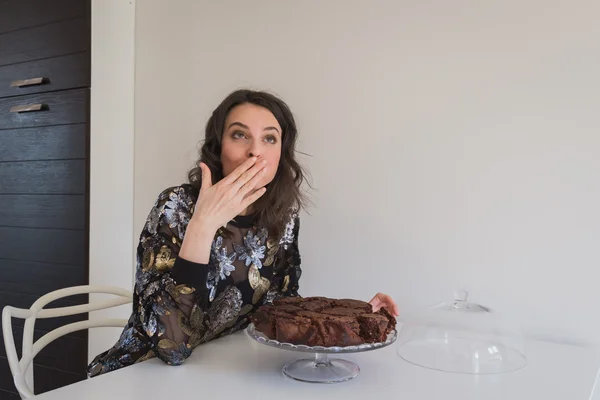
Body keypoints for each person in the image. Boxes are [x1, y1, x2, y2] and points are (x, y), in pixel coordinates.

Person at [87, 89, 399, 377]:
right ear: (217, 147)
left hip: (220, 369)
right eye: (240, 135)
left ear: (282, 153)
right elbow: (172, 349)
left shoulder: (283, 216)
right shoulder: (177, 207)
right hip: (138, 374)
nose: (255, 152)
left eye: (270, 139)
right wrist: (203, 224)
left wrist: (360, 316)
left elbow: (282, 308)